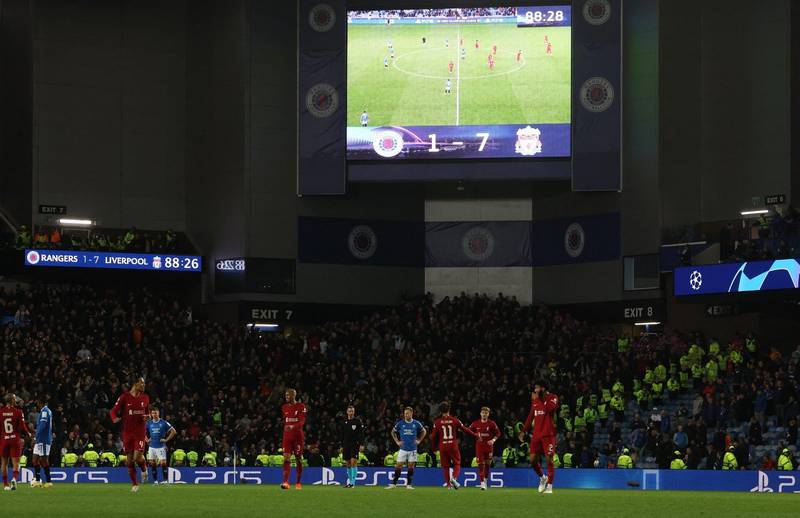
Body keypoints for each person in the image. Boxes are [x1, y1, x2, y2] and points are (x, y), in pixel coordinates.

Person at [109, 376, 151, 492]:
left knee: (137, 457)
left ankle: (144, 469)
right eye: (142, 383)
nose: (143, 385)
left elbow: (147, 414)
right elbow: (113, 410)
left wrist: (147, 417)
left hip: (140, 432)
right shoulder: (125, 397)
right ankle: (134, 484)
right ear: (135, 384)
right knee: (129, 460)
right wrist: (114, 418)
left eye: (144, 383)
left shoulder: (145, 397)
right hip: (127, 433)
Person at [519, 380, 559, 494]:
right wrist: (523, 431)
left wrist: (540, 399)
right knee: (532, 460)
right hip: (536, 435)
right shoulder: (535, 401)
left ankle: (550, 487)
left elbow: (549, 409)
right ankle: (542, 478)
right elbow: (530, 416)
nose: (535, 390)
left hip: (548, 434)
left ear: (543, 388)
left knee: (549, 460)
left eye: (537, 388)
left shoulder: (553, 397)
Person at [430, 401, 476, 490]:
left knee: (446, 466)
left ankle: (448, 485)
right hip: (453, 445)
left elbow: (433, 437)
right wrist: (475, 435)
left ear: (440, 410)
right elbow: (465, 430)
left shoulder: (437, 422)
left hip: (443, 446)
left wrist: (434, 448)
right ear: (449, 409)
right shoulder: (455, 420)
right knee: (457, 463)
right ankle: (454, 478)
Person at [386, 407, 426, 490]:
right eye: (404, 413)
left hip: (413, 449)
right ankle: (394, 484)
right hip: (403, 449)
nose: (405, 415)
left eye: (407, 413)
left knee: (411, 466)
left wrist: (419, 440)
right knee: (398, 466)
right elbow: (393, 431)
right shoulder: (401, 423)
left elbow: (424, 431)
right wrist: (397, 441)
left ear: (411, 413)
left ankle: (409, 485)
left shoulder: (416, 423)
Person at [0, 394, 31, 490]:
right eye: (15, 399)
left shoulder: (1, 412)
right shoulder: (18, 412)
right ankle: (14, 479)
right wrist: (28, 434)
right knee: (15, 462)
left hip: (4, 439)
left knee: (4, 463)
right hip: (14, 439)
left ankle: (5, 485)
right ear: (12, 401)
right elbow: (22, 427)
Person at [280, 388, 307, 489]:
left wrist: (293, 426)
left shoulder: (301, 406)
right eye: (286, 395)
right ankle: (286, 482)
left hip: (298, 437)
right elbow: (286, 420)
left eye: (288, 395)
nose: (286, 397)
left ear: (293, 396)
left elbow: (302, 422)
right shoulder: (284, 407)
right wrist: (288, 427)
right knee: (286, 457)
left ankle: (298, 482)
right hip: (287, 436)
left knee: (298, 459)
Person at [469, 406, 501, 490]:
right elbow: (469, 430)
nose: (484, 414)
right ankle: (482, 482)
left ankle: (485, 481)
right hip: (479, 447)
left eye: (486, 413)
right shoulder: (475, 423)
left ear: (488, 414)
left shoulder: (492, 423)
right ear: (480, 414)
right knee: (481, 465)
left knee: (487, 465)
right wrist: (462, 428)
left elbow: (498, 433)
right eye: (483, 413)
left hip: (489, 447)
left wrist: (493, 440)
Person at [146, 408, 176, 484]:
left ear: (158, 413)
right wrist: (147, 440)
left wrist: (166, 440)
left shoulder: (163, 422)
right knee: (153, 464)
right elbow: (142, 431)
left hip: (161, 446)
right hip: (152, 447)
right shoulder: (149, 423)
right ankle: (155, 481)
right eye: (153, 413)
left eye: (155, 413)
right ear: (151, 414)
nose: (154, 415)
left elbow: (173, 431)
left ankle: (165, 481)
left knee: (163, 463)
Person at [30, 397, 54, 488]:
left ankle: (48, 481)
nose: (37, 404)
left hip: (43, 440)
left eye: (37, 402)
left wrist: (36, 437)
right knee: (34, 459)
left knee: (44, 460)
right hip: (40, 439)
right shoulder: (46, 411)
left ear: (40, 402)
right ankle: (37, 481)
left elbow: (43, 425)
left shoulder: (45, 411)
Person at [339, 405, 364, 488]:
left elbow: (361, 434)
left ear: (354, 412)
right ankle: (350, 482)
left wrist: (361, 444)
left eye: (352, 411)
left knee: (353, 462)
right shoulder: (344, 422)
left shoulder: (357, 421)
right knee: (348, 464)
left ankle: (353, 483)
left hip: (355, 444)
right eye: (349, 411)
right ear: (347, 412)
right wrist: (341, 446)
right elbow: (342, 435)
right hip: (346, 445)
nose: (351, 413)